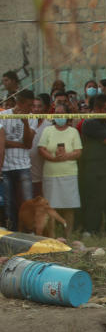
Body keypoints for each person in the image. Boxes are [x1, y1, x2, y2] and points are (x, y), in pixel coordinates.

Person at [36, 104, 82, 237]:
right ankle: (52, 236)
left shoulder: (73, 131)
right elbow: (41, 149)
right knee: (51, 207)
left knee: (69, 206)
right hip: (51, 173)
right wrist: (52, 158)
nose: (59, 116)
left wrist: (67, 156)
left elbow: (78, 151)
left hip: (69, 173)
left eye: (62, 113)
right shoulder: (47, 130)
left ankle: (68, 235)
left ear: (67, 115)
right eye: (57, 113)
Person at [80, 94, 106, 234]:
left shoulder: (104, 123)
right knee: (95, 202)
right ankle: (91, 231)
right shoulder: (91, 122)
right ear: (97, 108)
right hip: (96, 171)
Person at [1, 90, 35, 230]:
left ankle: (30, 231)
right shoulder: (3, 115)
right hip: (6, 166)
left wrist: (25, 123)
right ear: (19, 103)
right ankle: (12, 231)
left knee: (28, 201)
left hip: (23, 165)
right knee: (9, 202)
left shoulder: (32, 117)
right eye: (28, 105)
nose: (31, 108)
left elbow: (28, 143)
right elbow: (2, 143)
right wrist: (19, 144)